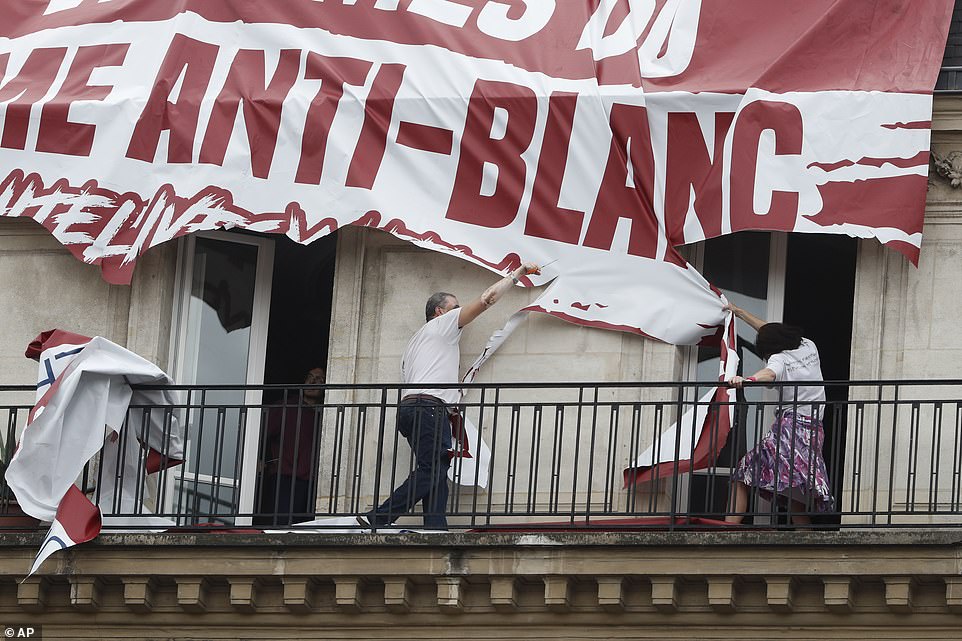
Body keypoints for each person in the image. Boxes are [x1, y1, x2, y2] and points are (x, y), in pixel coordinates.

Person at [358, 261, 541, 530]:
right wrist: (517, 274)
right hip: (429, 408)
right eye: (456, 307)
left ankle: (436, 527)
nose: (460, 312)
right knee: (431, 470)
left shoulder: (415, 343)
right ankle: (378, 517)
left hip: (412, 409)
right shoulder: (443, 324)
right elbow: (487, 299)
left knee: (436, 471)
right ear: (439, 311)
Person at [723, 304, 834, 525]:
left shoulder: (778, 359)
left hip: (790, 428)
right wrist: (741, 312)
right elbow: (769, 330)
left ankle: (728, 531)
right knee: (794, 487)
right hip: (813, 430)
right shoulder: (807, 345)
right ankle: (806, 541)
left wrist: (746, 381)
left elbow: (769, 373)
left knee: (743, 472)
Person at [256, 366, 325, 526]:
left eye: (320, 379)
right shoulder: (286, 407)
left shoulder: (324, 414)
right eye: (310, 377)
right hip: (284, 477)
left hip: (313, 481)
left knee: (305, 530)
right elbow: (259, 433)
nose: (313, 382)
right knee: (282, 527)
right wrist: (259, 459)